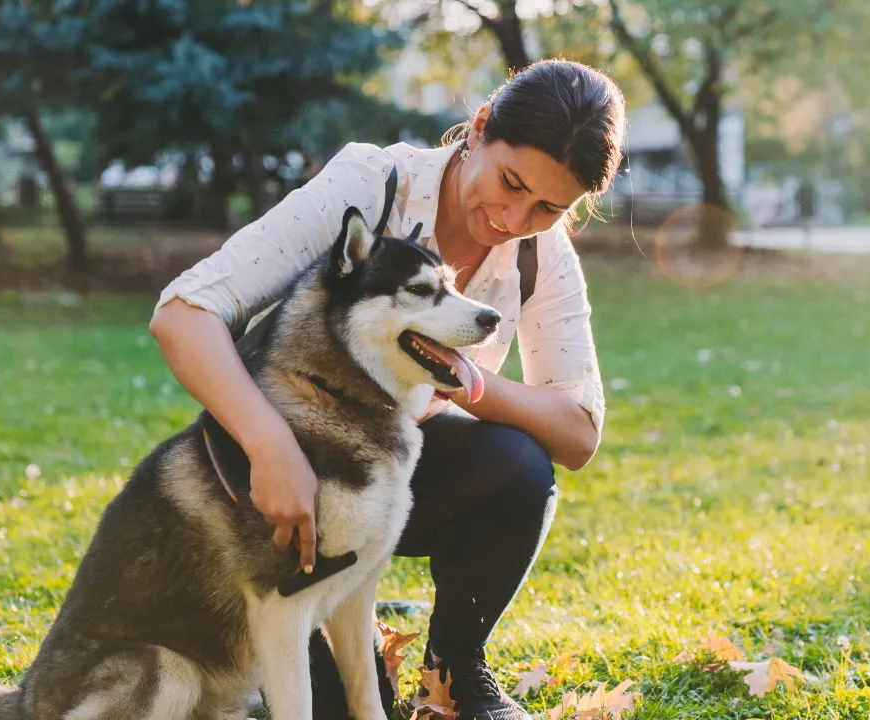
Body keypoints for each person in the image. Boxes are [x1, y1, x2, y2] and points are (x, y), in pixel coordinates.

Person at [149, 58, 627, 719]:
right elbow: (182, 315)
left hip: (390, 477)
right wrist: (268, 447)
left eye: (549, 206)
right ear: (479, 128)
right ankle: (280, 643)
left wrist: (461, 380)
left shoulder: (538, 253)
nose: (515, 217)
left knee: (519, 466)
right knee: (334, 709)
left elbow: (577, 432)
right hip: (281, 490)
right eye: (511, 182)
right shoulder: (372, 187)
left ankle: (454, 671)